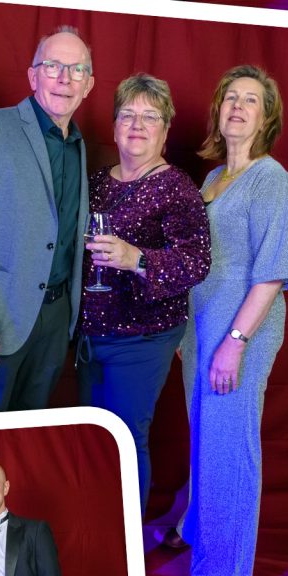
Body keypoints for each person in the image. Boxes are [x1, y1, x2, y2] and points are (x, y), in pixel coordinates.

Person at [169, 68, 288, 576]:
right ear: (219, 111)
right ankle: (200, 534)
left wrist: (234, 344)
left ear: (266, 118)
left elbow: (272, 273)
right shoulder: (213, 178)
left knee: (228, 449)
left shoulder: (273, 181)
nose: (238, 107)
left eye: (251, 101)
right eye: (231, 99)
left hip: (239, 334)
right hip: (201, 331)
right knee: (206, 441)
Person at [0, 27, 95, 414]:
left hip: (55, 320)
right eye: (53, 66)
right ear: (32, 76)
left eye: (77, 69)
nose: (65, 79)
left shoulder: (77, 144)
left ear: (88, 85)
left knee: (29, 431)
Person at [77, 73, 212, 507]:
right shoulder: (97, 182)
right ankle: (101, 520)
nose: (137, 125)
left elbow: (196, 263)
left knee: (125, 436)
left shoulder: (177, 188)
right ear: (114, 126)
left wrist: (135, 258)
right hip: (90, 335)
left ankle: (128, 532)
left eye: (150, 117)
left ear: (165, 130)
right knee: (93, 439)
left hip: (142, 336)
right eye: (128, 115)